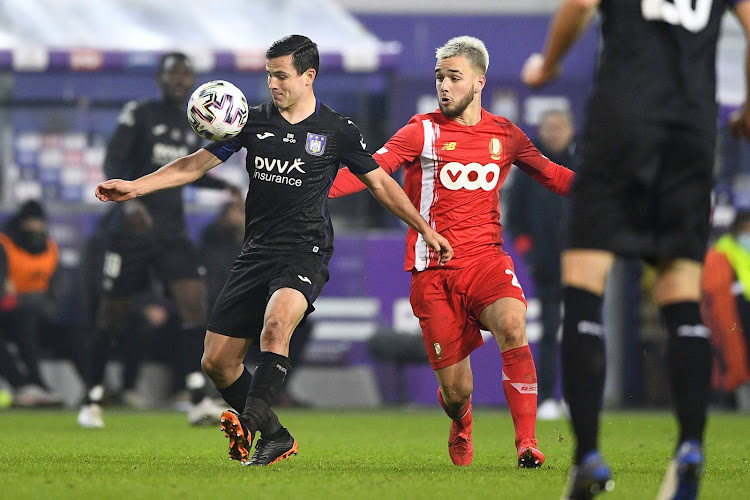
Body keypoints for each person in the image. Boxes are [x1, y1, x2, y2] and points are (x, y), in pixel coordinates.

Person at [94, 34, 453, 466]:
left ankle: (245, 423)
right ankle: (276, 436)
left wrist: (424, 228)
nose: (273, 84)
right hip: (256, 251)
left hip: (305, 251)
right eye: (269, 75)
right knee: (217, 363)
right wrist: (134, 187)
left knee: (276, 327)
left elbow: (381, 184)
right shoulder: (252, 121)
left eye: (281, 76)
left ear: (309, 76)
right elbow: (193, 165)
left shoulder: (337, 131)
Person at [521, 0, 750, 497]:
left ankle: (587, 459)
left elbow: (580, 4)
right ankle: (690, 446)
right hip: (691, 132)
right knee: (680, 294)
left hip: (622, 123)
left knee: (583, 285)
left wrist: (550, 64)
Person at [331, 36, 574, 468]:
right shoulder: (420, 130)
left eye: (454, 78)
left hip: (486, 260)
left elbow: (553, 175)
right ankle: (462, 423)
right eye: (440, 77)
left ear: (478, 82)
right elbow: (372, 170)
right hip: (433, 272)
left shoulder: (505, 135)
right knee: (457, 390)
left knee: (513, 326)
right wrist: (316, 191)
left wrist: (609, 192)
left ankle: (528, 444)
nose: (444, 86)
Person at [78, 52, 238, 428]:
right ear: (160, 79)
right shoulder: (139, 113)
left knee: (193, 304)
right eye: (173, 74)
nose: (179, 81)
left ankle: (197, 398)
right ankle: (91, 398)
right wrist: (128, 205)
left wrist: (225, 184)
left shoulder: (192, 123)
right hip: (131, 230)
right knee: (111, 315)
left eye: (186, 75)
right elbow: (114, 161)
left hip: (171, 232)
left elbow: (187, 171)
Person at [198, 199, 313, 407]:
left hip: (259, 316)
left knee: (297, 325)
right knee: (214, 352)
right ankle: (223, 394)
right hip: (232, 314)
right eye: (238, 211)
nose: (244, 215)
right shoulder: (216, 247)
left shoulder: (264, 245)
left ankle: (276, 391)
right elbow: (214, 289)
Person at [505, 109, 576, 421]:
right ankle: (547, 397)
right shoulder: (530, 169)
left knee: (580, 332)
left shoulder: (581, 168)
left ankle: (577, 396)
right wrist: (530, 255)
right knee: (549, 331)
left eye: (560, 126)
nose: (555, 132)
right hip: (546, 265)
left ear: (570, 130)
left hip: (579, 264)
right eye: (549, 126)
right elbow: (515, 220)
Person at [0, 200, 68, 406]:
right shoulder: (4, 244)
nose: (35, 227)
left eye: (38, 222)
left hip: (38, 315)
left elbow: (55, 295)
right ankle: (27, 385)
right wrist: (28, 298)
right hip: (8, 314)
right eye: (30, 222)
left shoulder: (51, 249)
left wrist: (22, 297)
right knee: (24, 321)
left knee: (76, 336)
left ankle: (95, 391)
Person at [701, 211, 750, 411]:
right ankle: (734, 402)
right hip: (736, 309)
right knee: (735, 355)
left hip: (742, 305)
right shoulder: (723, 251)